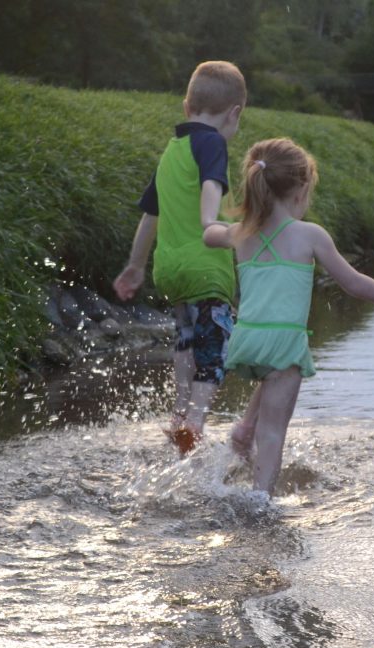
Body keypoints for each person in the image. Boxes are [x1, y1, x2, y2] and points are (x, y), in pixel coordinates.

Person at [204, 138, 374, 494]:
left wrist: (209, 221)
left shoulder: (242, 233)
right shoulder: (309, 235)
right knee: (274, 433)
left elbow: (209, 235)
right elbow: (353, 283)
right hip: (285, 342)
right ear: (300, 190)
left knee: (268, 381)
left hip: (246, 338)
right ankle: (260, 500)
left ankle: (244, 430)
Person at [113, 61, 246, 453]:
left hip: (169, 270)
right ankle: (197, 421)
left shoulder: (171, 152)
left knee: (187, 339)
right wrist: (210, 220)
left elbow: (150, 216)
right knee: (215, 344)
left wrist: (135, 266)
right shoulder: (212, 142)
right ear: (234, 113)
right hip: (205, 268)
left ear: (187, 106)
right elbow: (212, 183)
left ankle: (178, 412)